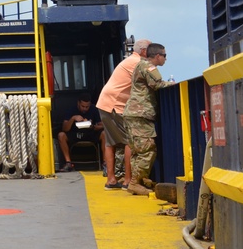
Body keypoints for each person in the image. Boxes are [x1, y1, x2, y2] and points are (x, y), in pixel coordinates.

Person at [123, 43, 178, 195]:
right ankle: (134, 183)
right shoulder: (148, 67)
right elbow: (158, 84)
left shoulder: (140, 65)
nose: (166, 59)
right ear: (157, 56)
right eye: (164, 56)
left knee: (137, 151)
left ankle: (139, 181)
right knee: (148, 150)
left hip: (133, 114)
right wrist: (172, 84)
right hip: (140, 114)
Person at [96, 38, 150, 189]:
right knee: (129, 141)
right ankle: (128, 179)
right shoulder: (138, 63)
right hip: (115, 104)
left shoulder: (129, 61)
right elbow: (151, 81)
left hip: (105, 102)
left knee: (110, 142)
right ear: (144, 51)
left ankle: (111, 179)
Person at [57, 95, 105, 172]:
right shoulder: (72, 110)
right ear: (78, 103)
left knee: (104, 134)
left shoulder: (94, 109)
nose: (85, 109)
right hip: (76, 134)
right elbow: (65, 128)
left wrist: (93, 126)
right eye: (83, 106)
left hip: (90, 133)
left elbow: (102, 125)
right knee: (61, 135)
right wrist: (73, 119)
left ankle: (105, 163)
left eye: (87, 107)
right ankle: (68, 163)